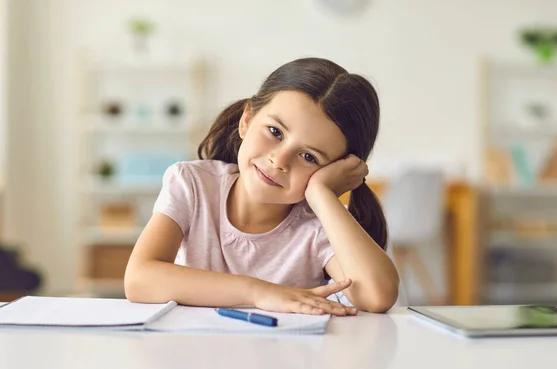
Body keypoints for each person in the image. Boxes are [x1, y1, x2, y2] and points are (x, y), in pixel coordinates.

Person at [125, 57, 399, 315]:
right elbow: (139, 278)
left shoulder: (316, 227)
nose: (279, 160)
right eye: (275, 132)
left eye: (309, 157)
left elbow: (377, 296)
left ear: (335, 170)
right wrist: (258, 292)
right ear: (247, 120)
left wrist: (322, 195)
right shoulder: (193, 184)